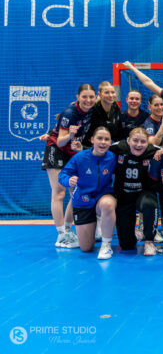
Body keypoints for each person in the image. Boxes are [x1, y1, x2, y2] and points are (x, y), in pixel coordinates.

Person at [42, 83, 96, 249]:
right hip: (57, 150)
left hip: (72, 151)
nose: (88, 100)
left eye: (91, 97)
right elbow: (60, 141)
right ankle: (60, 235)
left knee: (77, 192)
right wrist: (71, 135)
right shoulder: (69, 113)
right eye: (84, 97)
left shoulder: (92, 108)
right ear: (77, 97)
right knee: (59, 192)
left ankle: (67, 230)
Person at [58, 127, 117, 259]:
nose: (103, 142)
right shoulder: (80, 157)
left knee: (108, 204)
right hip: (83, 199)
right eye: (99, 138)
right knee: (86, 248)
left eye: (106, 139)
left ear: (111, 142)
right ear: (92, 140)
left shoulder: (112, 157)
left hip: (103, 195)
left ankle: (106, 246)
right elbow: (63, 174)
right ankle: (92, 227)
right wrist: (68, 180)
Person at [110, 128, 160, 256]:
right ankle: (136, 234)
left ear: (148, 143)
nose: (138, 145)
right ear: (128, 141)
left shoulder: (153, 150)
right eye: (135, 141)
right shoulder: (118, 148)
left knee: (150, 203)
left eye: (143, 142)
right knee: (126, 245)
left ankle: (149, 241)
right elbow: (98, 149)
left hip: (143, 194)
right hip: (123, 196)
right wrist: (80, 148)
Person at [83, 81, 122, 147]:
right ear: (99, 94)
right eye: (106, 92)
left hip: (108, 146)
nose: (110, 95)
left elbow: (118, 132)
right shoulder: (92, 110)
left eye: (113, 92)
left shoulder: (115, 107)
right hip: (91, 148)